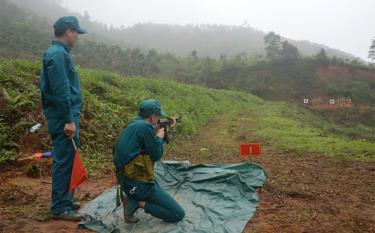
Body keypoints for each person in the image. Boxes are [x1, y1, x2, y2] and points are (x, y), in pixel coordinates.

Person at [39, 16, 87, 221]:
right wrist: (68, 120)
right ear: (68, 31)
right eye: (76, 32)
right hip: (63, 118)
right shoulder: (57, 55)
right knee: (64, 160)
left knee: (69, 158)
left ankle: (66, 201)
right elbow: (61, 90)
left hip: (66, 116)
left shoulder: (60, 53)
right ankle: (59, 207)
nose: (77, 37)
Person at [113, 99, 185, 223]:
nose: (158, 119)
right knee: (178, 214)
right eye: (157, 116)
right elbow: (156, 154)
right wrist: (160, 137)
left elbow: (143, 147)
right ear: (153, 116)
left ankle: (134, 198)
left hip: (126, 181)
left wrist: (160, 130)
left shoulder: (135, 123)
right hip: (140, 185)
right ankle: (137, 202)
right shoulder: (146, 127)